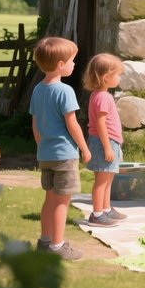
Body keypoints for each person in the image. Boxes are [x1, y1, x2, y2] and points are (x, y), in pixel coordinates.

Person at [29, 36, 91, 260]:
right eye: (72, 60)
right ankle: (58, 246)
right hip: (64, 155)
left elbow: (35, 125)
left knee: (50, 199)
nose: (75, 64)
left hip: (45, 154)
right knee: (62, 201)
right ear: (61, 65)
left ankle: (45, 242)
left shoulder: (37, 90)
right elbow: (72, 124)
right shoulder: (65, 91)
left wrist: (42, 147)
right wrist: (84, 148)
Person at [83, 53, 126, 226]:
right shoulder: (102, 97)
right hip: (104, 143)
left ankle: (106, 209)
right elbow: (100, 124)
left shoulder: (101, 95)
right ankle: (97, 213)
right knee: (101, 180)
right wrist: (107, 147)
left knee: (108, 178)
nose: (119, 77)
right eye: (118, 74)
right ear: (106, 77)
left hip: (110, 142)